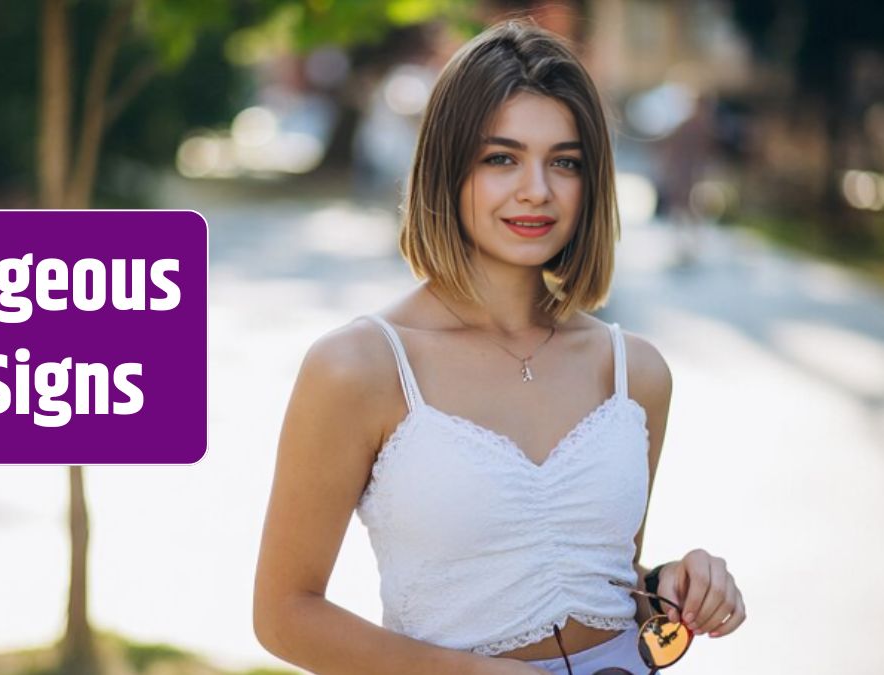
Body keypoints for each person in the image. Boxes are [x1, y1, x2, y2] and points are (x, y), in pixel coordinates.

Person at [252, 20, 746, 675]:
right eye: (501, 157)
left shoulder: (635, 372)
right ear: (448, 167)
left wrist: (672, 581)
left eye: (564, 161)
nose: (536, 190)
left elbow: (598, 576)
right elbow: (285, 613)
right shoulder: (359, 367)